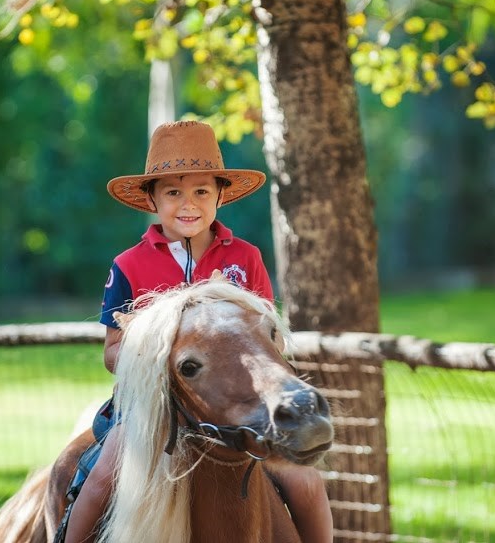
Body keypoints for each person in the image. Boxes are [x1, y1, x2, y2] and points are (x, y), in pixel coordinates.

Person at [63, 120, 333, 543]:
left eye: (201, 192)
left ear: (220, 195)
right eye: (173, 192)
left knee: (306, 482)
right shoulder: (128, 265)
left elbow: (269, 338)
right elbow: (113, 353)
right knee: (99, 480)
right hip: (156, 409)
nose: (188, 204)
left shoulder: (246, 257)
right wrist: (156, 347)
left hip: (237, 403)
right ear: (152, 198)